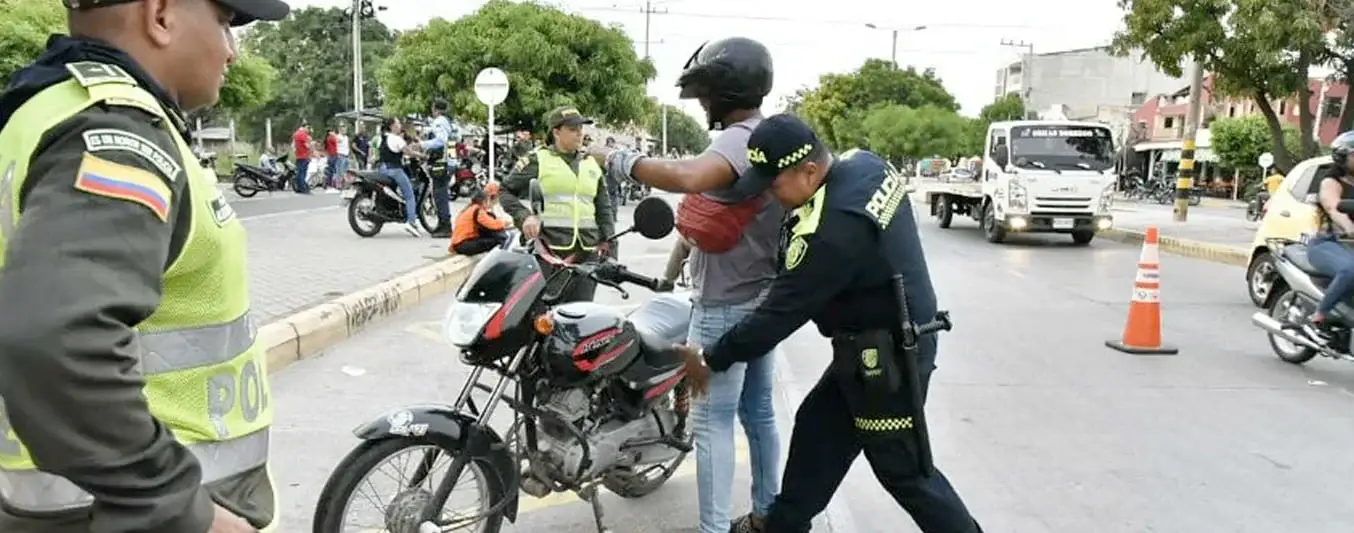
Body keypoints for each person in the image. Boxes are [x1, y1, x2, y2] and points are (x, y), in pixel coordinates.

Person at [0, 0, 290, 532]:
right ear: (160, 15)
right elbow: (56, 338)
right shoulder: (121, 138)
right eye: (225, 23)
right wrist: (177, 509)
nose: (231, 51)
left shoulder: (40, 111)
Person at [672, 114, 982, 533]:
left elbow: (778, 316)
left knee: (904, 470)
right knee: (818, 431)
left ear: (809, 170)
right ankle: (782, 526)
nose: (770, 196)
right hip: (870, 347)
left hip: (887, 361)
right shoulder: (865, 165)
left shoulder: (830, 232)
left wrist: (709, 358)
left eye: (774, 185)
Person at [614, 37, 785, 533]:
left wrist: (623, 161)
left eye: (707, 92)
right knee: (759, 413)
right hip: (762, 298)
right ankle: (768, 512)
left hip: (723, 305)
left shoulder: (736, 140)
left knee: (712, 423)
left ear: (727, 91)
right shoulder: (771, 137)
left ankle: (714, 529)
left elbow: (686, 178)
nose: (703, 102)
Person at [500, 106, 615, 302]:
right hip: (549, 251)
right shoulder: (537, 159)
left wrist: (611, 247)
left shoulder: (590, 163)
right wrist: (524, 217)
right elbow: (504, 191)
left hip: (587, 252)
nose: (579, 133)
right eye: (572, 129)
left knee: (581, 312)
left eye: (580, 128)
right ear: (556, 132)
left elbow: (603, 208)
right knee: (546, 312)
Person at [1305, 132, 1354, 339]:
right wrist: (1349, 227)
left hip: (1350, 246)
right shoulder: (1331, 182)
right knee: (1351, 269)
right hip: (1328, 243)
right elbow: (1334, 208)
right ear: (1342, 156)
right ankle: (1320, 314)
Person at [377, 116, 426, 237]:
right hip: (394, 170)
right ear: (392, 126)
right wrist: (422, 156)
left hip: (382, 169)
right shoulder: (396, 139)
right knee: (410, 195)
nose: (400, 126)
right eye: (398, 123)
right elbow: (409, 152)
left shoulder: (381, 138)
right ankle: (411, 222)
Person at [420, 98, 458, 237]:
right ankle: (443, 224)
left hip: (441, 162)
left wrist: (423, 144)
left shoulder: (440, 121)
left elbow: (441, 141)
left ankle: (445, 226)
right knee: (442, 194)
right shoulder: (451, 122)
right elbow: (453, 141)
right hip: (450, 161)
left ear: (435, 109)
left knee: (440, 195)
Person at [450, 184, 509, 255]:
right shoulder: (478, 210)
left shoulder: (471, 208)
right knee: (496, 241)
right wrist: (504, 223)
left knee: (492, 221)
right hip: (464, 244)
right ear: (484, 201)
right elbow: (491, 224)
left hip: (461, 243)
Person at [292, 120, 312, 194]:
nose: (308, 130)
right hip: (304, 156)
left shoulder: (295, 134)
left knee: (299, 172)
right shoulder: (303, 134)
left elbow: (293, 146)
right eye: (308, 128)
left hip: (298, 156)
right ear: (304, 127)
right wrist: (311, 145)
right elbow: (307, 145)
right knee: (302, 173)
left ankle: (299, 187)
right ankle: (303, 188)